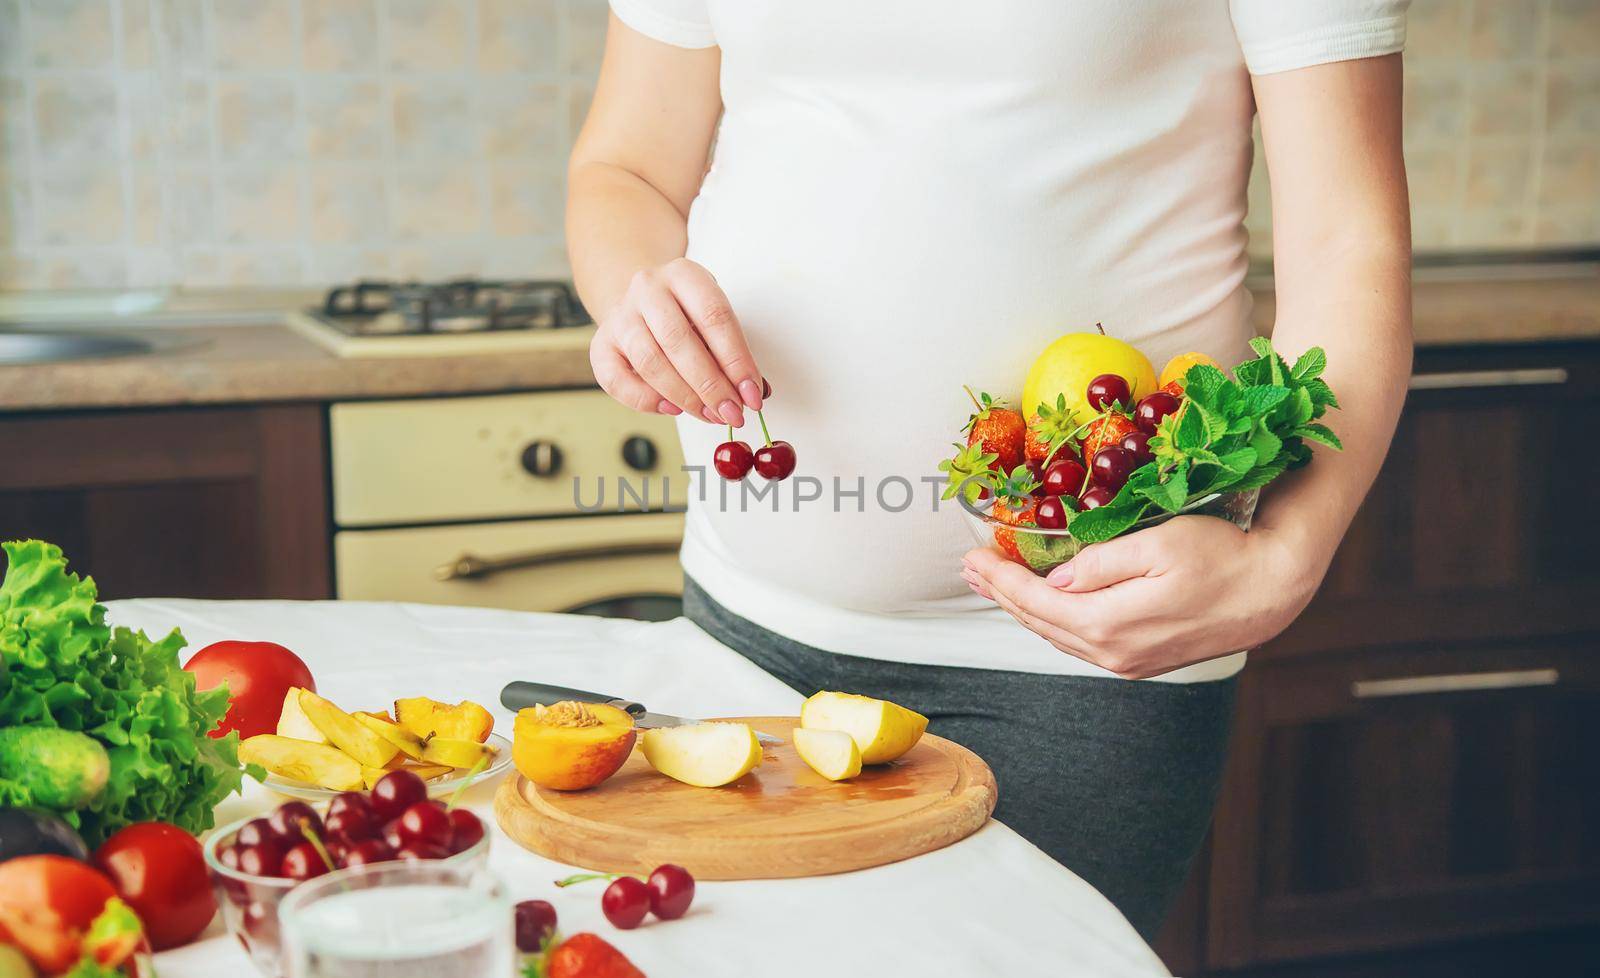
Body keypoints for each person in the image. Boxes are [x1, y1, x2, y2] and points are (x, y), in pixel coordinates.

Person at [566, 0, 1413, 940]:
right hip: (744, 629)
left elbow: (1348, 240)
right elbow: (626, 169)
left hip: (1082, 663)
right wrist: (634, 297)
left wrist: (1288, 555)